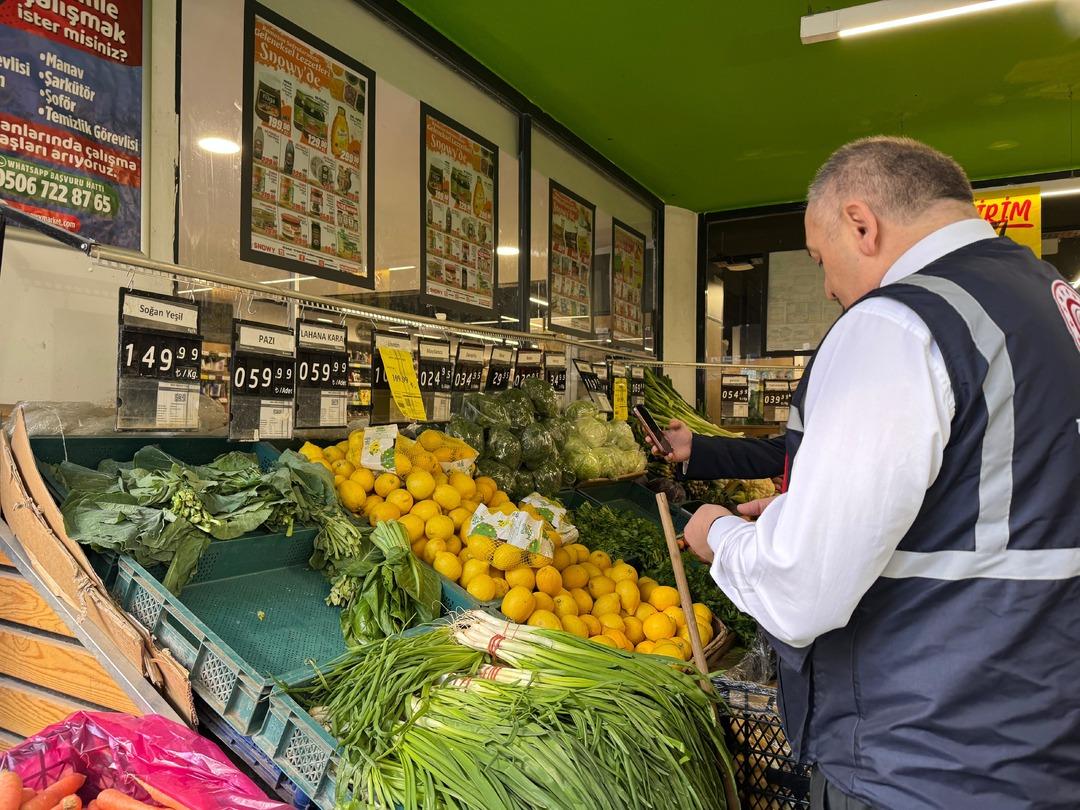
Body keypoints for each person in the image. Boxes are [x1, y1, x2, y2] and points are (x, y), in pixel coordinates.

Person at [652, 136, 1080, 809]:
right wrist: (802, 516)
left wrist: (719, 539)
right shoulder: (1045, 299)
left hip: (922, 752)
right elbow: (975, 506)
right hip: (1030, 736)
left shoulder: (901, 322)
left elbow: (803, 590)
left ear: (861, 223)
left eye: (822, 259)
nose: (826, 286)